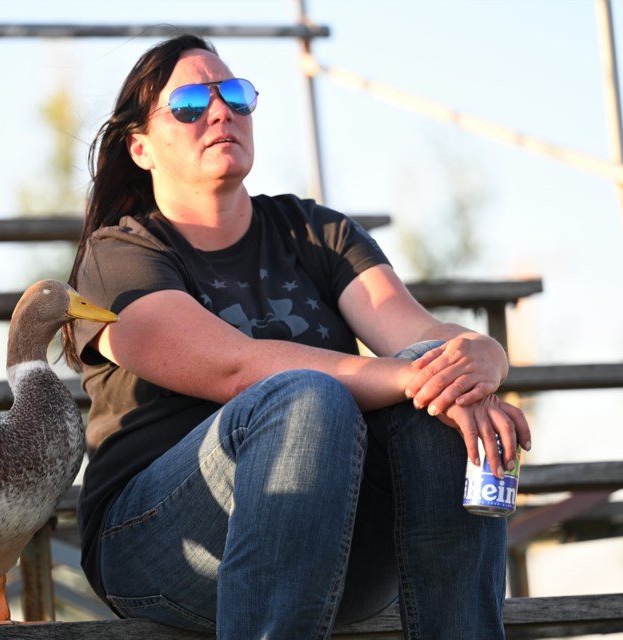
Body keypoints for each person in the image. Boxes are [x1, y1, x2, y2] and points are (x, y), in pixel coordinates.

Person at [62, 33, 531, 640]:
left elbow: (417, 335)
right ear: (140, 147)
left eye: (235, 95)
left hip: (336, 539)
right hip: (163, 547)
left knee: (442, 398)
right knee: (309, 397)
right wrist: (416, 375)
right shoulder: (116, 259)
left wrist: (481, 357)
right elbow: (235, 367)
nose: (220, 112)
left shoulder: (315, 233)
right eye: (188, 104)